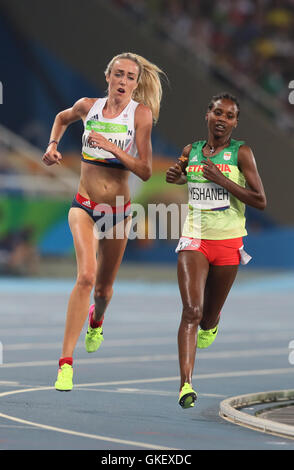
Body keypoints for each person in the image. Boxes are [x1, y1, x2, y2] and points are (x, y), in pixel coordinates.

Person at [42, 52, 165, 391]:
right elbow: (61, 117)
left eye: (130, 77)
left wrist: (111, 146)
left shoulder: (140, 115)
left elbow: (144, 168)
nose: (124, 81)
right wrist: (52, 146)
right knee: (85, 276)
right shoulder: (87, 106)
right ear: (108, 76)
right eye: (119, 74)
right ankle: (65, 363)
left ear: (136, 84)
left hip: (118, 213)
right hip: (83, 205)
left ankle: (97, 319)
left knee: (103, 289)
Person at [166, 93, 266, 409]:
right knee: (191, 311)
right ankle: (185, 385)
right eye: (217, 112)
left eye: (229, 116)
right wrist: (177, 177)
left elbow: (260, 200)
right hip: (194, 238)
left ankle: (214, 319)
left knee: (206, 320)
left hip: (228, 243)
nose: (222, 119)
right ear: (207, 115)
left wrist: (222, 179)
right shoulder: (191, 151)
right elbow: (185, 176)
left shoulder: (242, 153)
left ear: (235, 123)